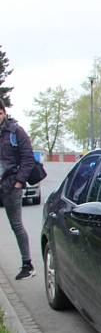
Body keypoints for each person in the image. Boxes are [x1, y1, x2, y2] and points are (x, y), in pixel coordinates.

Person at [0, 100, 37, 280]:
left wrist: (19, 182)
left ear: (4, 112)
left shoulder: (16, 132)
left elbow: (28, 159)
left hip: (11, 187)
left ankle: (27, 265)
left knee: (16, 225)